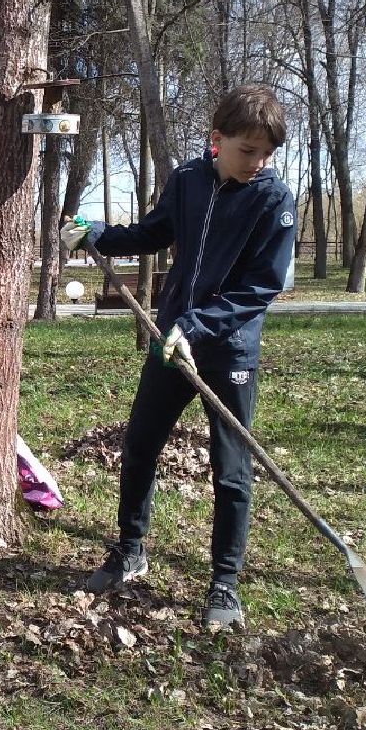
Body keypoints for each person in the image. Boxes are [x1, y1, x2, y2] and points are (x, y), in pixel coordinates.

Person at [61, 83, 296, 629]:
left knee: (231, 469)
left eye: (266, 153)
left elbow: (260, 287)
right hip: (171, 343)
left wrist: (197, 326)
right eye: (247, 150)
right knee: (140, 443)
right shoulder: (188, 180)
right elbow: (153, 232)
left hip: (228, 350)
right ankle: (131, 548)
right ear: (217, 139)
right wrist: (98, 234)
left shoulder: (274, 200)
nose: (257, 162)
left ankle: (224, 583)